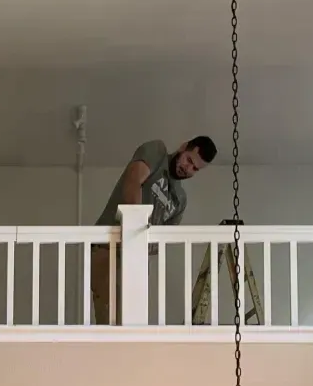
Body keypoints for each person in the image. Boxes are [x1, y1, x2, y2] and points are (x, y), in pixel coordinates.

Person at [90, 135, 218, 323]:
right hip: (110, 248)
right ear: (183, 147)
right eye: (189, 160)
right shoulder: (157, 152)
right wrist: (137, 225)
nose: (188, 168)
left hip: (138, 260)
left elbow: (163, 239)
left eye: (195, 169)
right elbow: (134, 179)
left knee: (133, 321)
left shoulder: (180, 200)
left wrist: (144, 250)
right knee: (112, 318)